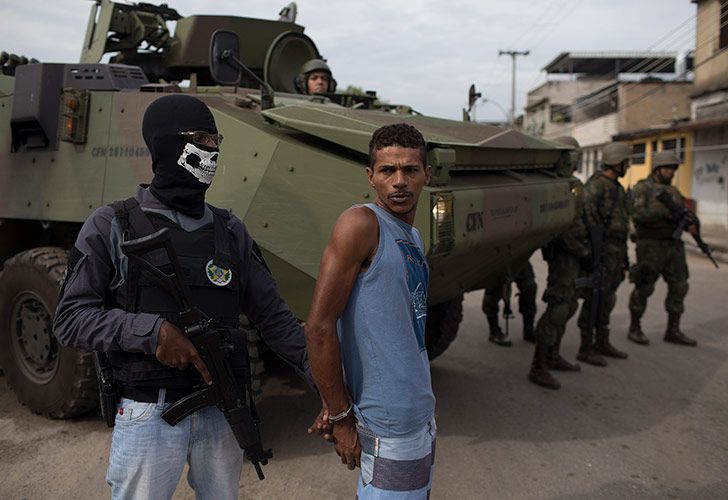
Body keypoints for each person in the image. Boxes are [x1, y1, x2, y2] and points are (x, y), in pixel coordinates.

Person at [53, 94, 314, 500]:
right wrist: (151, 332)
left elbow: (275, 318)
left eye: (216, 140)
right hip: (149, 410)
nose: (211, 150)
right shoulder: (111, 224)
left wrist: (327, 378)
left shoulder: (230, 231)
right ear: (165, 144)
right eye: (200, 139)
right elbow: (70, 319)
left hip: (221, 409)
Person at [304, 123, 436, 499]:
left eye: (410, 170)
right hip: (389, 426)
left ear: (426, 174)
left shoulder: (411, 234)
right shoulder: (361, 224)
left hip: (419, 414)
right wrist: (342, 416)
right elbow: (319, 328)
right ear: (370, 177)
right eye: (387, 170)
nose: (399, 181)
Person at [529, 136, 589, 389]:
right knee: (558, 307)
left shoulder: (573, 184)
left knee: (570, 305)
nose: (577, 160)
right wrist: (581, 251)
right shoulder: (553, 185)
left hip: (577, 254)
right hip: (565, 256)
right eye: (573, 155)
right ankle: (539, 365)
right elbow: (560, 228)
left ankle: (553, 354)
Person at [627, 151, 697, 346]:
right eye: (666, 168)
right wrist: (663, 212)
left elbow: (683, 213)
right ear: (657, 169)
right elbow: (637, 214)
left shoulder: (673, 191)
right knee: (645, 286)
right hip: (650, 244)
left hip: (673, 245)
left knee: (680, 285)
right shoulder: (643, 188)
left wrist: (690, 222)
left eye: (672, 168)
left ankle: (673, 330)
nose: (670, 172)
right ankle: (635, 327)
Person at [575, 141, 632, 366]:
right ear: (616, 162)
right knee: (594, 299)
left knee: (607, 299)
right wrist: (590, 256)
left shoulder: (617, 188)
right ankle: (585, 347)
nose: (628, 166)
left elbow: (623, 223)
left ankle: (602, 341)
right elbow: (587, 221)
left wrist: (624, 256)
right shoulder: (595, 187)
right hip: (600, 251)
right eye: (625, 162)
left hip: (616, 251)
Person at [483, 261, 537, 346]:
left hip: (518, 256)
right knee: (494, 290)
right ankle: (494, 330)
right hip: (497, 257)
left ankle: (528, 329)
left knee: (529, 287)